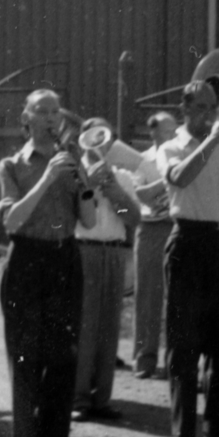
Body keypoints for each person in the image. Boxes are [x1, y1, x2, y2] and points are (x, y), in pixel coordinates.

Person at [0, 89, 97, 437]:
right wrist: (48, 178)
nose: (51, 118)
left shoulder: (70, 162)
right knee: (25, 358)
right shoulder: (11, 166)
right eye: (43, 111)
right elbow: (10, 221)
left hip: (65, 259)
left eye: (56, 111)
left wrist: (81, 179)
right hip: (27, 260)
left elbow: (90, 220)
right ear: (27, 118)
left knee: (62, 358)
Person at [161, 77, 219, 437]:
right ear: (185, 110)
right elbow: (180, 178)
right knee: (184, 339)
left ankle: (217, 425)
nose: (209, 115)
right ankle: (184, 428)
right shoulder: (171, 146)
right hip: (189, 241)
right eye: (200, 107)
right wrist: (213, 140)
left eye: (213, 108)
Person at [72, 116, 140, 420]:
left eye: (106, 138)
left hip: (113, 252)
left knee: (108, 326)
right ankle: (79, 399)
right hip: (84, 250)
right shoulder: (74, 174)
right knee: (84, 326)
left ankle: (102, 399)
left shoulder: (122, 177)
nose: (101, 144)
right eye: (94, 137)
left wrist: (113, 190)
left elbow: (132, 218)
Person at [130, 111, 178, 379]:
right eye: (167, 131)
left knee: (177, 298)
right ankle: (144, 359)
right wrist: (171, 177)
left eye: (175, 130)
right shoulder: (144, 160)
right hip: (150, 229)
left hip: (176, 227)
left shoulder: (182, 155)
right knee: (147, 296)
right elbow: (142, 195)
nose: (173, 135)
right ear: (153, 133)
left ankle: (175, 361)